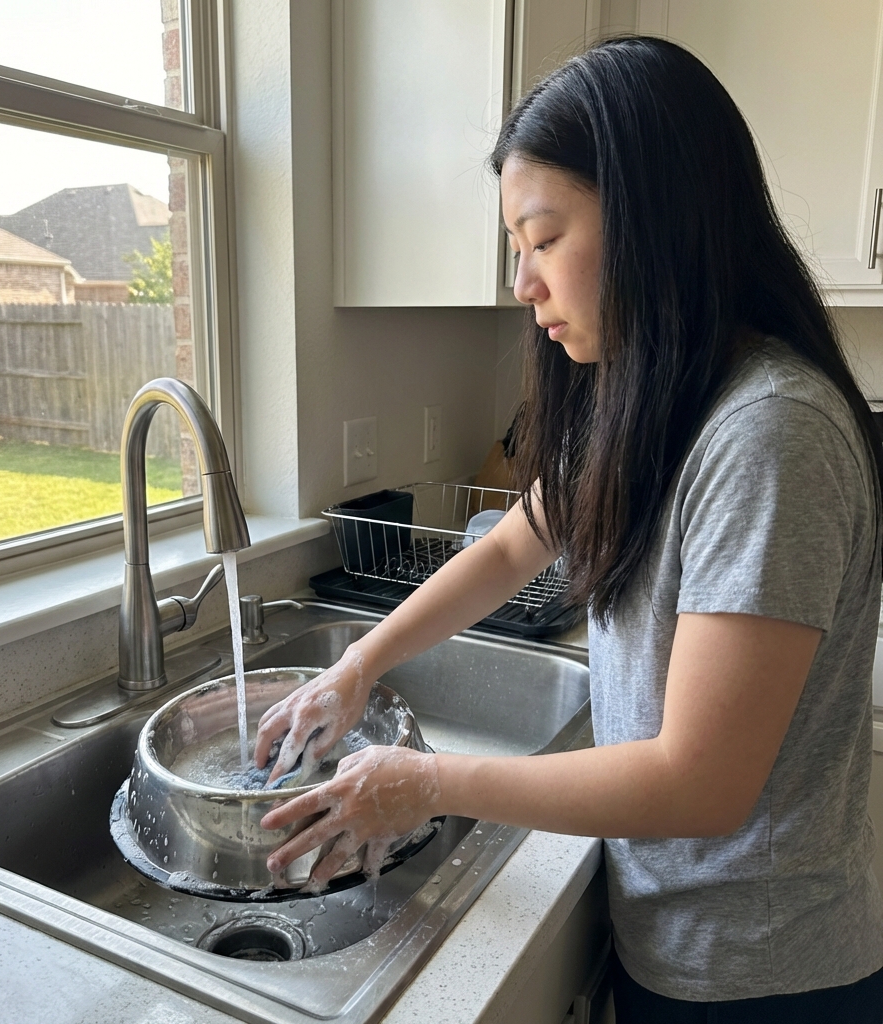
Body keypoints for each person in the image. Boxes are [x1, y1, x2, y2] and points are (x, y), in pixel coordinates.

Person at [254, 36, 883, 1022]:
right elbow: (512, 543)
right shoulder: (655, 398)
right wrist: (357, 665)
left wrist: (428, 783)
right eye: (517, 247)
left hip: (763, 973)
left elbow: (700, 781)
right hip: (675, 933)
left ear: (653, 223)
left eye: (542, 239)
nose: (520, 283)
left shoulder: (768, 434)